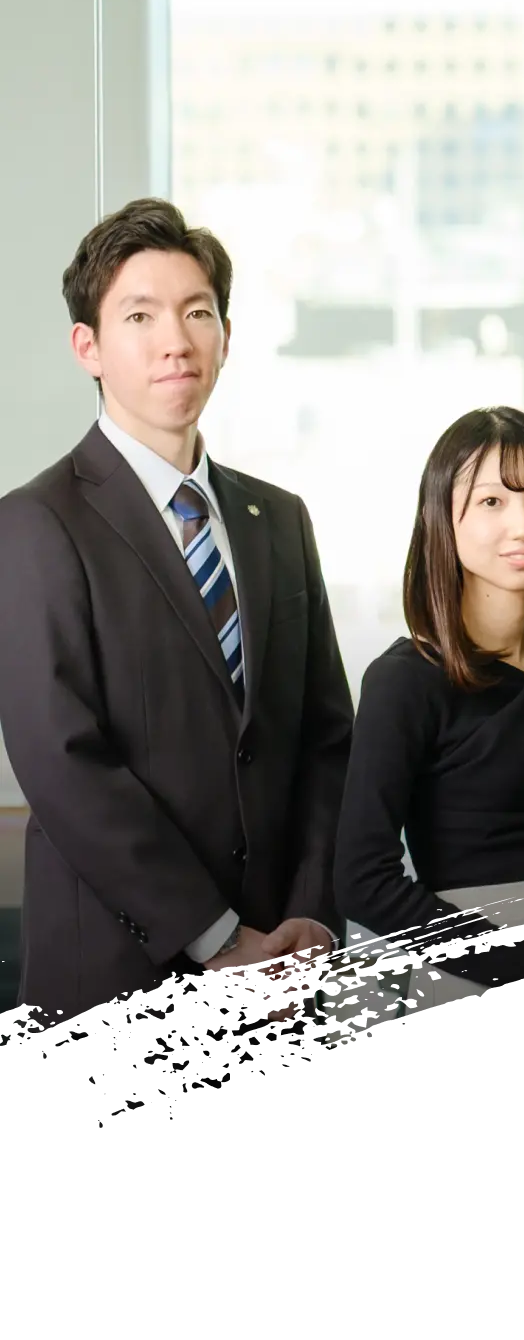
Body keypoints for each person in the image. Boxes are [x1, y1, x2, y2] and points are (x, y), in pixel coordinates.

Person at [0, 199, 353, 1036]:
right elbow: (63, 761)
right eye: (140, 316)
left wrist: (313, 912)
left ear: (225, 336)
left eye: (198, 312)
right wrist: (218, 936)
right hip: (117, 994)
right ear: (87, 346)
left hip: (278, 987)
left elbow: (326, 737)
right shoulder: (36, 523)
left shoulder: (280, 519)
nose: (176, 340)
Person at [335, 408, 524, 1021]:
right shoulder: (405, 680)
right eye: (491, 501)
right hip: (475, 975)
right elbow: (362, 882)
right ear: (441, 519)